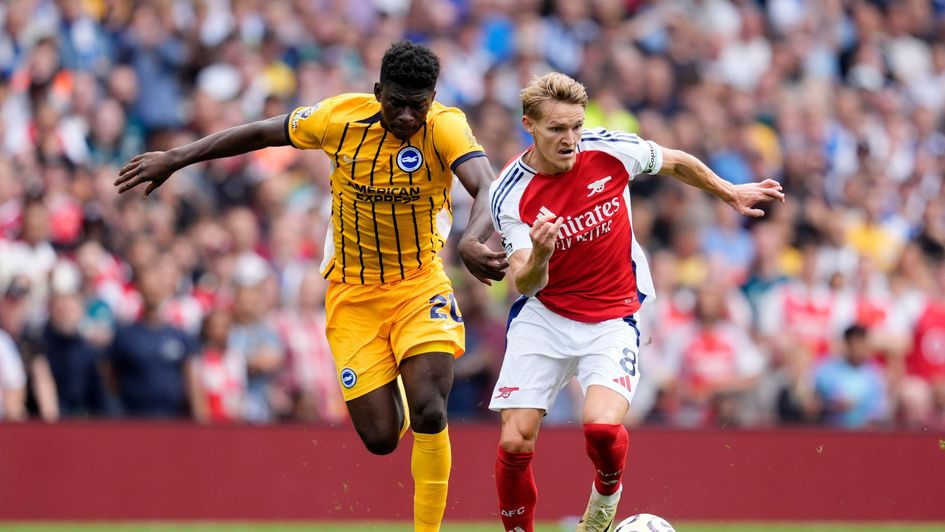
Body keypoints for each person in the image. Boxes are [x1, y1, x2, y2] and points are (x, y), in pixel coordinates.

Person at [114, 40, 506, 531]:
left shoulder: (445, 125)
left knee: (430, 411)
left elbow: (487, 185)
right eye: (397, 102)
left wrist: (472, 240)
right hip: (353, 296)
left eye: (418, 104)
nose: (407, 115)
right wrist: (176, 157)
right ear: (378, 90)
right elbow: (260, 133)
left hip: (419, 286)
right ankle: (399, 390)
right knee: (382, 438)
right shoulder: (338, 119)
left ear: (432, 98)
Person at [488, 73, 784, 532]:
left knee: (602, 430)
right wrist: (543, 252)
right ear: (529, 125)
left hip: (613, 312)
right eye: (556, 130)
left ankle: (605, 500)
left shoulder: (609, 149)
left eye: (576, 127)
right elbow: (525, 283)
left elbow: (675, 162)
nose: (570, 140)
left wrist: (729, 191)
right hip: (545, 314)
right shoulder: (509, 193)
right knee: (514, 440)